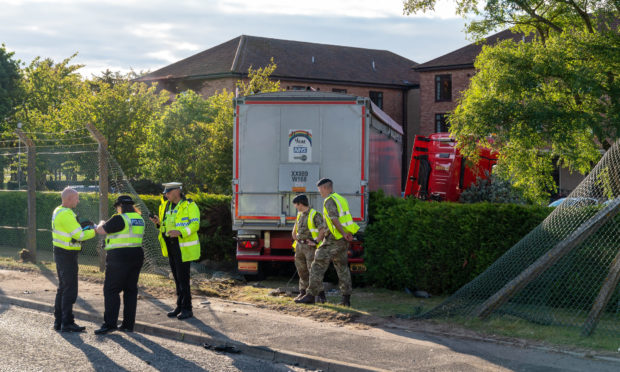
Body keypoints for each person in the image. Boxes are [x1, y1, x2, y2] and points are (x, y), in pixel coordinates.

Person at [296, 178, 359, 306]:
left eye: (320, 190)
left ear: (325, 188)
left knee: (317, 265)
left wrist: (341, 233)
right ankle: (346, 299)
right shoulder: (341, 199)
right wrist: (346, 234)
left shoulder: (329, 200)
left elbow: (334, 219)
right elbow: (345, 219)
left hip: (333, 240)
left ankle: (311, 295)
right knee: (342, 269)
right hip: (342, 240)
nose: (320, 193)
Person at [93, 195, 145, 335]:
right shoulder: (139, 219)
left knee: (111, 290)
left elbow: (101, 230)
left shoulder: (119, 218)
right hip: (136, 255)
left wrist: (101, 222)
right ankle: (128, 325)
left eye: (117, 207)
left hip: (119, 257)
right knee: (130, 290)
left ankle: (110, 324)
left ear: (120, 206)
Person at [149, 182, 200, 320]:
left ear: (177, 191)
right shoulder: (166, 205)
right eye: (165, 192)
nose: (166, 195)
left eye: (168, 192)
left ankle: (187, 308)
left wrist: (180, 232)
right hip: (170, 245)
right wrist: (158, 223)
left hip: (183, 247)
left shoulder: (190, 205)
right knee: (177, 279)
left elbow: (195, 225)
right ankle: (179, 305)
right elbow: (166, 225)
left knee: (183, 279)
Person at [51, 187, 96, 332]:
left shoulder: (58, 210)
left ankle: (59, 321)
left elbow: (72, 232)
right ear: (70, 199)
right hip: (67, 254)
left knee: (63, 287)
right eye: (77, 198)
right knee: (70, 288)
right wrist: (95, 230)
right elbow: (80, 236)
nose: (78, 200)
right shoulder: (66, 214)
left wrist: (83, 227)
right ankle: (67, 322)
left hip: (61, 252)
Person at [291, 194, 326, 303]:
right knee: (302, 271)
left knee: (313, 271)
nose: (295, 207)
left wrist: (316, 241)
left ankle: (320, 295)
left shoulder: (314, 214)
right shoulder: (300, 214)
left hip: (310, 247)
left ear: (300, 204)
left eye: (296, 205)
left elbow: (322, 230)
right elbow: (296, 226)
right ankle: (303, 292)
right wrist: (294, 234)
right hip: (299, 246)